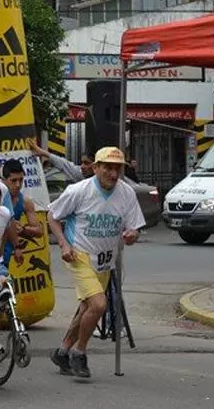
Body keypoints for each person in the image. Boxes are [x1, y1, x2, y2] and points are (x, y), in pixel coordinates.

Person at [47, 147, 146, 380]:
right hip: (79, 254)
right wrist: (63, 244)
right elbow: (52, 216)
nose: (113, 173)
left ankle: (62, 352)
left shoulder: (127, 193)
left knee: (86, 308)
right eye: (108, 167)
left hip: (106, 259)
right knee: (99, 305)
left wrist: (132, 235)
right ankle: (79, 353)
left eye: (118, 168)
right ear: (96, 168)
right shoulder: (79, 191)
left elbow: (134, 229)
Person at [0, 159, 43, 267]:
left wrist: (23, 229)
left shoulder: (25, 202)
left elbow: (39, 231)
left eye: (21, 180)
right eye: (13, 180)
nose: (18, 185)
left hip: (8, 251)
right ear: (4, 180)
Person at [28, 140, 93, 183]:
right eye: (82, 163)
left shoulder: (101, 183)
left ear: (96, 165)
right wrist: (42, 152)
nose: (82, 166)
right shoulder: (80, 175)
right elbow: (64, 164)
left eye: (86, 163)